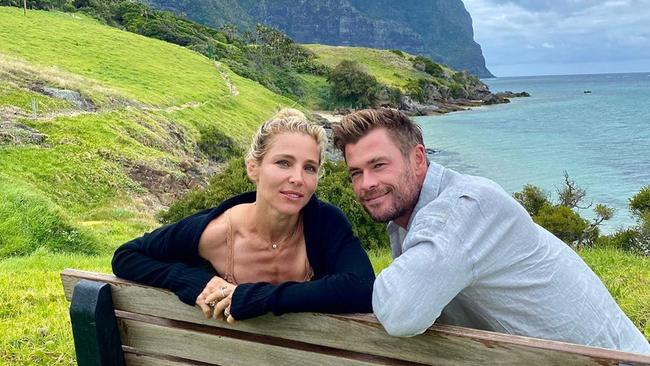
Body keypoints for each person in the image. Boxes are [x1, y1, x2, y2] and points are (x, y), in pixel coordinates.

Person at [331, 108, 650, 354]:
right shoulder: (410, 216)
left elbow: (402, 312)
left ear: (417, 159)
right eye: (356, 173)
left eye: (378, 165)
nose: (366, 184)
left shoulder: (463, 209)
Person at [112, 109, 374, 323]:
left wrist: (258, 298)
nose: (297, 178)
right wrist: (194, 281)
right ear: (253, 168)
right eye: (283, 163)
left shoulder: (326, 223)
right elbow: (126, 257)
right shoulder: (215, 231)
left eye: (309, 168)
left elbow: (362, 287)